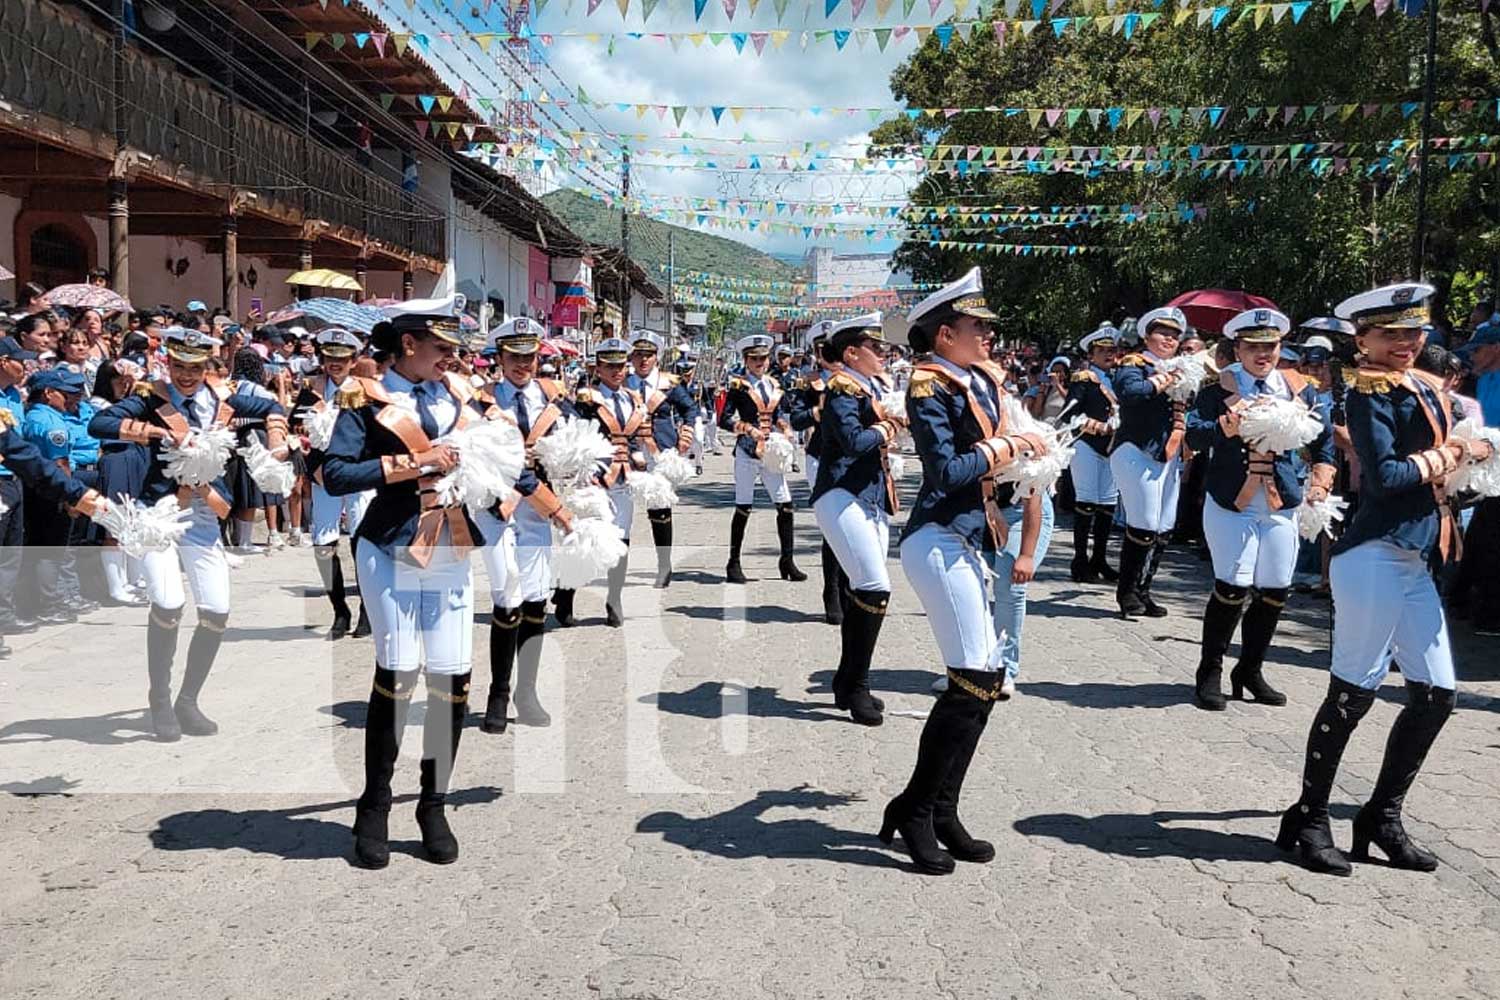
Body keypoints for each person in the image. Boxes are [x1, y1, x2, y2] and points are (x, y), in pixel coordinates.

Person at [1278, 283, 1493, 877]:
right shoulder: (1368, 392)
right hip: (1372, 553)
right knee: (1354, 691)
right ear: (1361, 338)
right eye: (1391, 333)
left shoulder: (1427, 388)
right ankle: (1312, 816)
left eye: (1414, 331)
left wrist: (1471, 466)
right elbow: (1387, 474)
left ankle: (1381, 816)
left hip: (1416, 555)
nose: (1406, 343)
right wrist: (1455, 454)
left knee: (1437, 695)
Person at [880, 268, 1047, 875]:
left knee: (985, 679)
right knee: (973, 676)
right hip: (938, 538)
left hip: (972, 543)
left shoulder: (981, 382)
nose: (990, 339)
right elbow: (945, 471)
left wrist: (1034, 456)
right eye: (980, 328)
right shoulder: (931, 386)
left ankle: (937, 808)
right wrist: (1009, 450)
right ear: (946, 333)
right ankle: (920, 810)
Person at [320, 302, 482, 869]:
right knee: (399, 670)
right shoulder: (365, 400)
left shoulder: (459, 395)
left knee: (452, 675)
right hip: (388, 544)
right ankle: (375, 806)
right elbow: (334, 473)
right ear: (410, 345)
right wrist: (412, 465)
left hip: (448, 541)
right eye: (442, 347)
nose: (452, 357)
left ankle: (433, 804)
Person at [89, 327, 288, 742]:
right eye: (179, 365)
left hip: (204, 514)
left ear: (206, 367)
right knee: (168, 600)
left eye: (194, 367)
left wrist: (275, 440)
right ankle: (159, 700)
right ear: (168, 363)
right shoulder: (149, 398)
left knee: (216, 610)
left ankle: (188, 700)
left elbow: (273, 405)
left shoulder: (223, 399)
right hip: (159, 512)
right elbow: (99, 423)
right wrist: (162, 434)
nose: (185, 375)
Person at [1185, 309, 1336, 711]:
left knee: (1274, 590)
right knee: (1232, 586)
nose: (1262, 353)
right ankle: (1210, 671)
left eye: (1269, 346)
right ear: (1237, 348)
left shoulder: (1301, 389)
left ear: (1280, 348)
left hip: (1279, 502)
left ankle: (1249, 670)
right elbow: (1193, 436)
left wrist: (1320, 482)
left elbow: (1324, 443)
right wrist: (1225, 426)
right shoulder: (1218, 388)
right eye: (1252, 346)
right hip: (1230, 501)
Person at [473, 317, 575, 732]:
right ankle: (498, 691)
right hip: (499, 507)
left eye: (529, 356)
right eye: (514, 356)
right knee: (506, 596)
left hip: (537, 510)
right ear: (498, 358)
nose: (522, 364)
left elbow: (571, 446)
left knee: (536, 601)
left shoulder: (552, 397)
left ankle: (526, 692)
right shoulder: (481, 401)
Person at [810, 313, 902, 726]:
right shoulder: (843, 388)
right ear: (851, 353)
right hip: (840, 493)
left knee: (864, 593)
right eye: (875, 348)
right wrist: (887, 429)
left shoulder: (872, 387)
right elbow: (852, 440)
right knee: (874, 586)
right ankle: (856, 683)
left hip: (871, 494)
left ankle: (847, 681)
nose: (884, 354)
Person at [1110, 305, 1191, 619]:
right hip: (1136, 449)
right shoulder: (1136, 363)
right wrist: (1164, 380)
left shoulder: (1183, 368)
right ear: (1147, 335)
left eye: (1174, 335)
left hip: (1168, 453)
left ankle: (1144, 590)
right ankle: (1126, 592)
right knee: (1143, 522)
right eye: (1163, 333)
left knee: (1163, 525)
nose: (1169, 339)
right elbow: (1130, 392)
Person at [572, 337, 655, 627]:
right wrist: (586, 473)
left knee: (622, 538)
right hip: (596, 476)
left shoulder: (632, 398)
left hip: (624, 476)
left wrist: (638, 454)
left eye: (620, 365)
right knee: (586, 538)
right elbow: (578, 436)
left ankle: (614, 598)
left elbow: (638, 434)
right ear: (598, 368)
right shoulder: (588, 398)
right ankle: (566, 594)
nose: (617, 371)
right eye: (610, 366)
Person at [297, 328, 374, 640]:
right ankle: (339, 610)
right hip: (324, 476)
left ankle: (368, 609)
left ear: (354, 360)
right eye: (330, 357)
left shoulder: (367, 390)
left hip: (358, 474)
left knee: (363, 542)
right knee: (323, 544)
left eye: (342, 358)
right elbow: (297, 433)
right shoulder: (311, 389)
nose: (335, 363)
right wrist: (314, 469)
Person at [719, 334, 805, 584]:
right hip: (747, 450)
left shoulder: (773, 384)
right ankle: (733, 563)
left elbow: (777, 413)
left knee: (785, 504)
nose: (760, 362)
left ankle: (787, 560)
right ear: (746, 360)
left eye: (763, 358)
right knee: (744, 506)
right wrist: (746, 428)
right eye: (754, 358)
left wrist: (784, 427)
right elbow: (724, 418)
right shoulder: (738, 385)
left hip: (771, 451)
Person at [625, 331, 698, 588]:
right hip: (629, 450)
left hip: (660, 451)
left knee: (660, 508)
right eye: (638, 355)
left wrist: (686, 432)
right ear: (631, 357)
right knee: (623, 511)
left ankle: (664, 566)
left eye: (648, 355)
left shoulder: (670, 383)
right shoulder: (623, 382)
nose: (643, 360)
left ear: (657, 357)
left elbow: (690, 408)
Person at [787, 321, 847, 624]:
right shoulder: (808, 382)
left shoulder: (857, 378)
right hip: (821, 456)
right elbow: (795, 418)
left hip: (854, 458)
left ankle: (852, 585)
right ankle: (832, 590)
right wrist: (817, 411)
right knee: (831, 526)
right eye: (824, 347)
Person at [22, 368, 92, 624]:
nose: (74, 399)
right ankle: (49, 604)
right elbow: (60, 463)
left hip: (36, 488)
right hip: (51, 491)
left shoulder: (35, 416)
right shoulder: (51, 423)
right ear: (49, 393)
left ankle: (42, 601)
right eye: (67, 394)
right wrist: (71, 497)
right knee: (51, 550)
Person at [89, 358, 149, 606]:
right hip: (115, 459)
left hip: (134, 457)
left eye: (128, 382)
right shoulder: (99, 404)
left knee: (134, 522)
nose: (125, 386)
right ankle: (117, 586)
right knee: (115, 524)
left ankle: (134, 579)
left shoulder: (126, 403)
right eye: (119, 381)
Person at [1066, 324, 1121, 583]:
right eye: (1102, 350)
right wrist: (1097, 426)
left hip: (1112, 446)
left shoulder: (1122, 377)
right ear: (1091, 354)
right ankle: (1079, 561)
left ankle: (1099, 559)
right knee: (1087, 500)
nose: (1109, 354)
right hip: (1087, 443)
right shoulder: (1084, 378)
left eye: (1112, 350)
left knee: (1108, 503)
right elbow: (1071, 414)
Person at [0, 337, 39, 638]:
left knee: (12, 553)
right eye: (19, 360)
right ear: (3, 362)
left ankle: (5, 615)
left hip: (16, 479)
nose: (24, 366)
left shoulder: (14, 395)